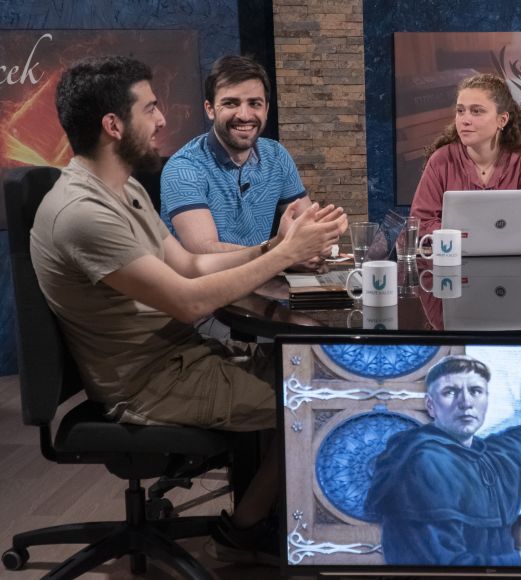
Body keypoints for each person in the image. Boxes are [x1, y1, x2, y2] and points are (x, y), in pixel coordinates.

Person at [31, 55, 347, 563]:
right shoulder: (82, 213)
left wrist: (275, 247)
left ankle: (271, 515)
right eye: (151, 109)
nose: (162, 120)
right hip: (147, 382)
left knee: (312, 373)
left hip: (179, 356)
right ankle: (243, 534)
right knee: (313, 403)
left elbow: (192, 263)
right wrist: (285, 252)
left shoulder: (123, 188)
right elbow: (187, 300)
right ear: (113, 125)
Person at [365, 356, 521, 566]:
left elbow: (504, 450)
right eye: (450, 392)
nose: (466, 402)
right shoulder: (424, 462)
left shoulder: (479, 454)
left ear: (487, 400)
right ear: (430, 406)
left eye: (476, 391)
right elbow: (442, 566)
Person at [160, 55, 325, 266]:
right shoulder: (184, 168)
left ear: (266, 109)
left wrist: (321, 237)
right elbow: (203, 250)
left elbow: (308, 229)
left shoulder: (276, 155)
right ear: (210, 109)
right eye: (231, 103)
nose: (244, 115)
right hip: (203, 294)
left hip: (262, 286)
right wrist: (282, 254)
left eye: (254, 104)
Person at [410, 73, 521, 236]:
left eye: (477, 111)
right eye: (460, 111)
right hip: (453, 258)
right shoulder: (441, 161)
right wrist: (469, 235)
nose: (465, 120)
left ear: (502, 120)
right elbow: (421, 223)